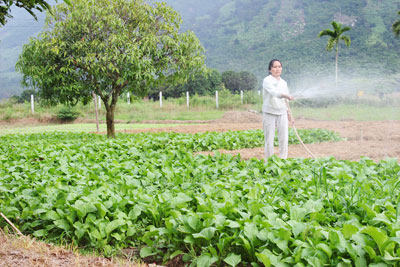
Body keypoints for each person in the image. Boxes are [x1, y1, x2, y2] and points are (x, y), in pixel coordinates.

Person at [262, 59, 294, 160]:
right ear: (270, 69)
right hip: (269, 112)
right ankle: (269, 161)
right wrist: (286, 95)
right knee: (269, 139)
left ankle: (283, 160)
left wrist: (290, 115)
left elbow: (286, 101)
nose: (277, 69)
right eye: (275, 67)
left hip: (282, 113)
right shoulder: (267, 80)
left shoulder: (284, 82)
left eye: (279, 67)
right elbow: (274, 93)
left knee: (284, 139)